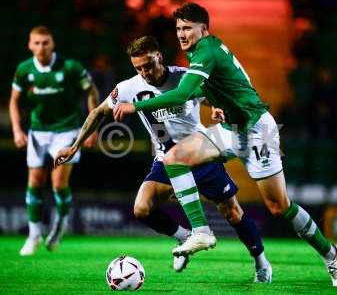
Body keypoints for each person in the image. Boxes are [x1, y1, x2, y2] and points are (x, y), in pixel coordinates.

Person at [111, 3, 337, 287]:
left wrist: (134, 107)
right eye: (178, 29)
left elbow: (181, 94)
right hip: (230, 129)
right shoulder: (200, 52)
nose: (182, 34)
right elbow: (205, 88)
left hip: (258, 129)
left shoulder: (206, 51)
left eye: (188, 28)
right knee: (174, 157)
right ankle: (200, 230)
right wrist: (218, 103)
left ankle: (332, 254)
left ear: (204, 28)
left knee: (278, 206)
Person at [55, 36, 272, 282]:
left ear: (159, 56)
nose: (144, 72)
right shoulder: (129, 88)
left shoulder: (184, 76)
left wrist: (214, 107)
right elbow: (98, 111)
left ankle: (261, 263)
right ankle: (185, 237)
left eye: (148, 65)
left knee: (232, 212)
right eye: (138, 68)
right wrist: (74, 147)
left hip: (199, 153)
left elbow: (213, 95)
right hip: (165, 159)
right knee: (141, 208)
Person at [9, 26, 99, 256]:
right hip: (38, 131)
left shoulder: (70, 67)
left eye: (45, 42)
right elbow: (14, 101)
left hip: (67, 130)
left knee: (58, 183)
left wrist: (92, 128)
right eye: (37, 43)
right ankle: (34, 235)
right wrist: (18, 130)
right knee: (35, 182)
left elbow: (91, 91)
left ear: (53, 43)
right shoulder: (24, 70)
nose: (41, 47)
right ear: (30, 45)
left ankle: (61, 224)